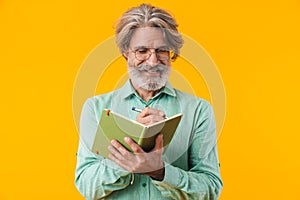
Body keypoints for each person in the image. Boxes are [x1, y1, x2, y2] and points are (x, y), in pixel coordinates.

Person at [75, 3, 223, 200]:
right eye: (142, 51)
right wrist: (129, 156)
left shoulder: (198, 110)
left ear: (171, 52)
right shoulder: (96, 108)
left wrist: (160, 171)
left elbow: (211, 188)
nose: (152, 61)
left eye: (161, 50)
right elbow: (87, 187)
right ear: (125, 52)